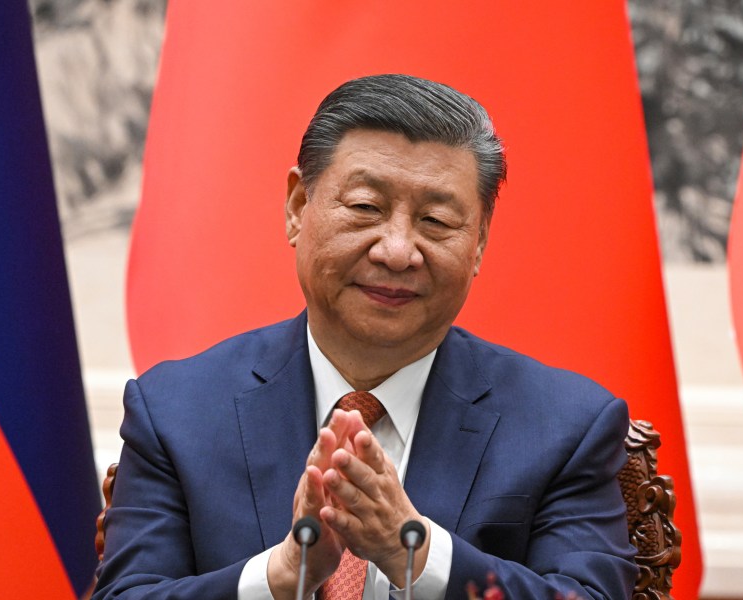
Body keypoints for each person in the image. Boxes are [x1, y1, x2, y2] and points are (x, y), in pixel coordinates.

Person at [93, 74, 637, 600]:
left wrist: (420, 557)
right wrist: (281, 576)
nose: (397, 250)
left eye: (437, 220)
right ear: (298, 208)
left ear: (479, 242)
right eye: (365, 209)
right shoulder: (175, 412)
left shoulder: (567, 426)